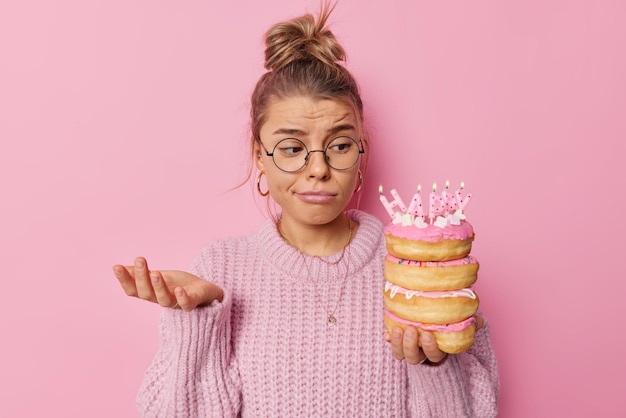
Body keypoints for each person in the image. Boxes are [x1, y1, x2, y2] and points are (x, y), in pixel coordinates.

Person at [113, 5, 499, 417]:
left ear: (362, 151)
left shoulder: (419, 273)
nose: (318, 169)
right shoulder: (220, 268)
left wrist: (434, 365)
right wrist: (196, 323)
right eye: (293, 148)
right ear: (259, 155)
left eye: (340, 145)